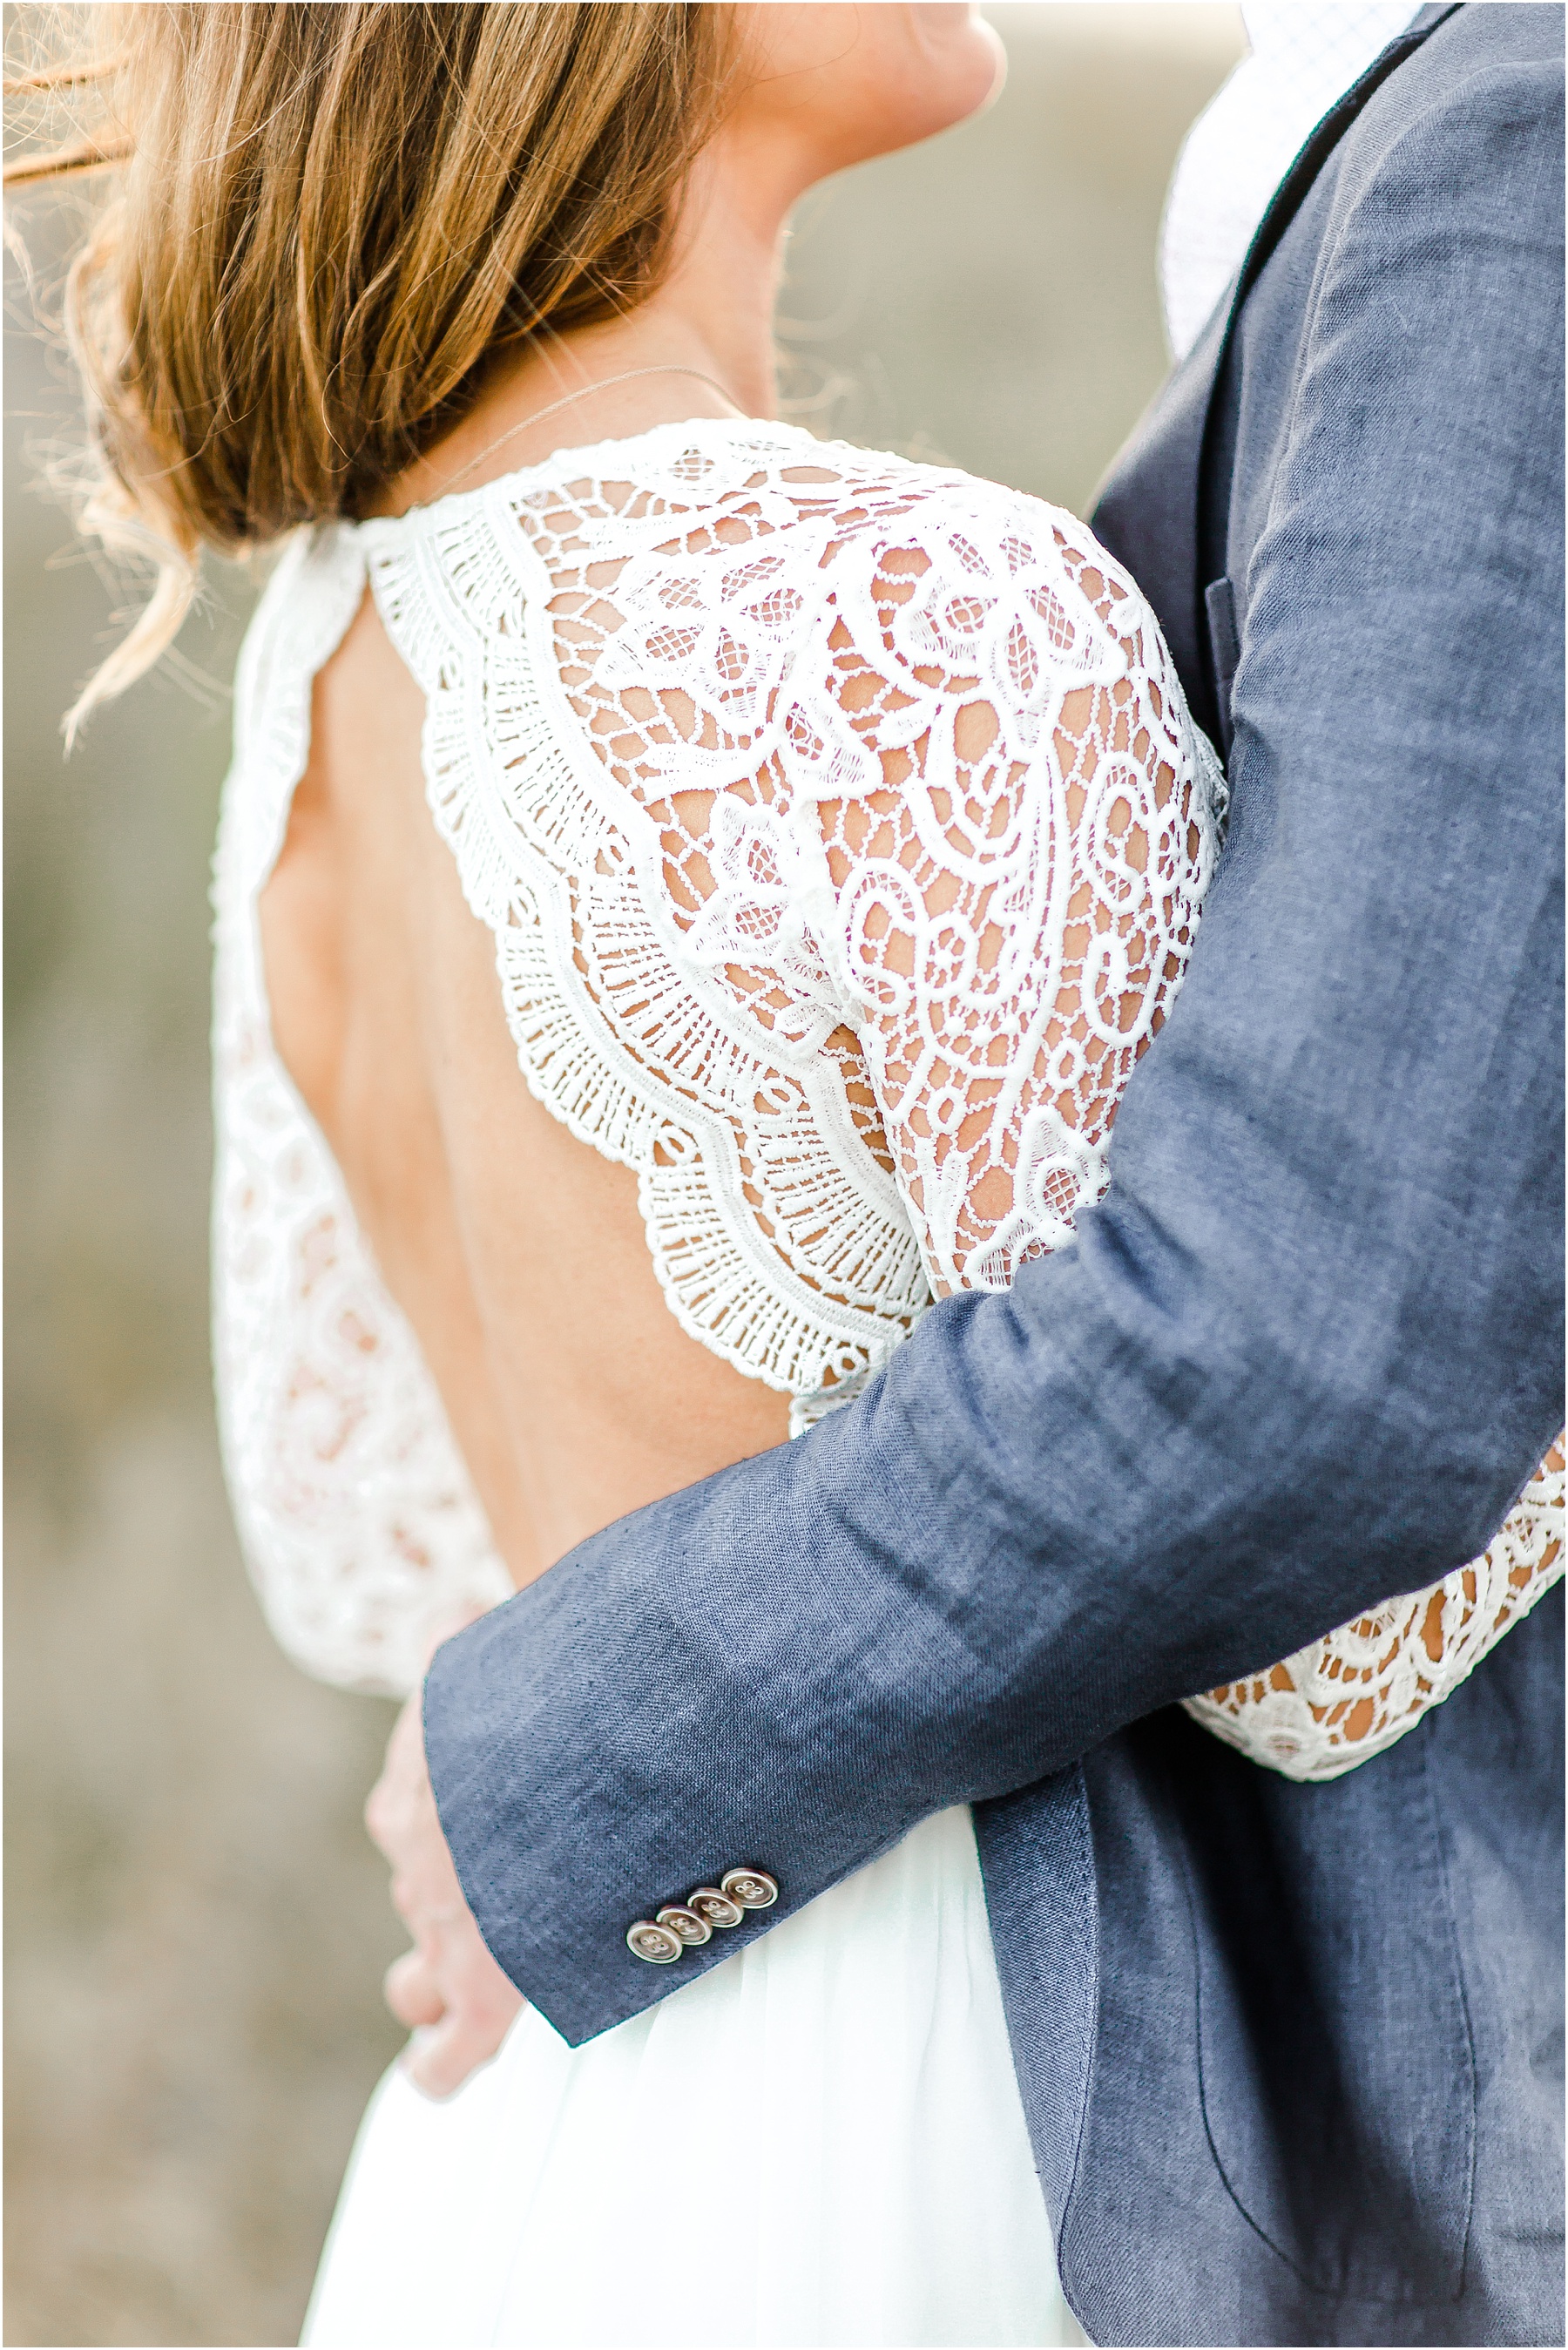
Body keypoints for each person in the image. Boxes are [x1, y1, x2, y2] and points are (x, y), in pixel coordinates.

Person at [10, 3, 1559, 2346]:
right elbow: (1325, 1623)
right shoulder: (919, 629)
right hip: (985, 2101)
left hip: (552, 2115)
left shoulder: (325, 692)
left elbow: (388, 1558)